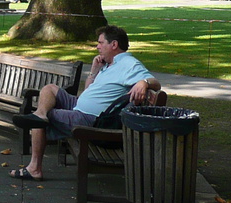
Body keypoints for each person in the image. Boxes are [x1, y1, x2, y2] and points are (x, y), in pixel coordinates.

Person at [9, 25, 160, 181]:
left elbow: (156, 83)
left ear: (114, 45)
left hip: (91, 119)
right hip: (79, 106)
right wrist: (94, 71)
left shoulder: (128, 63)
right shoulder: (109, 64)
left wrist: (144, 82)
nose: (97, 47)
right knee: (49, 89)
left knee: (44, 118)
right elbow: (88, 91)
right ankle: (40, 114)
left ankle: (34, 168)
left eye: (101, 43)